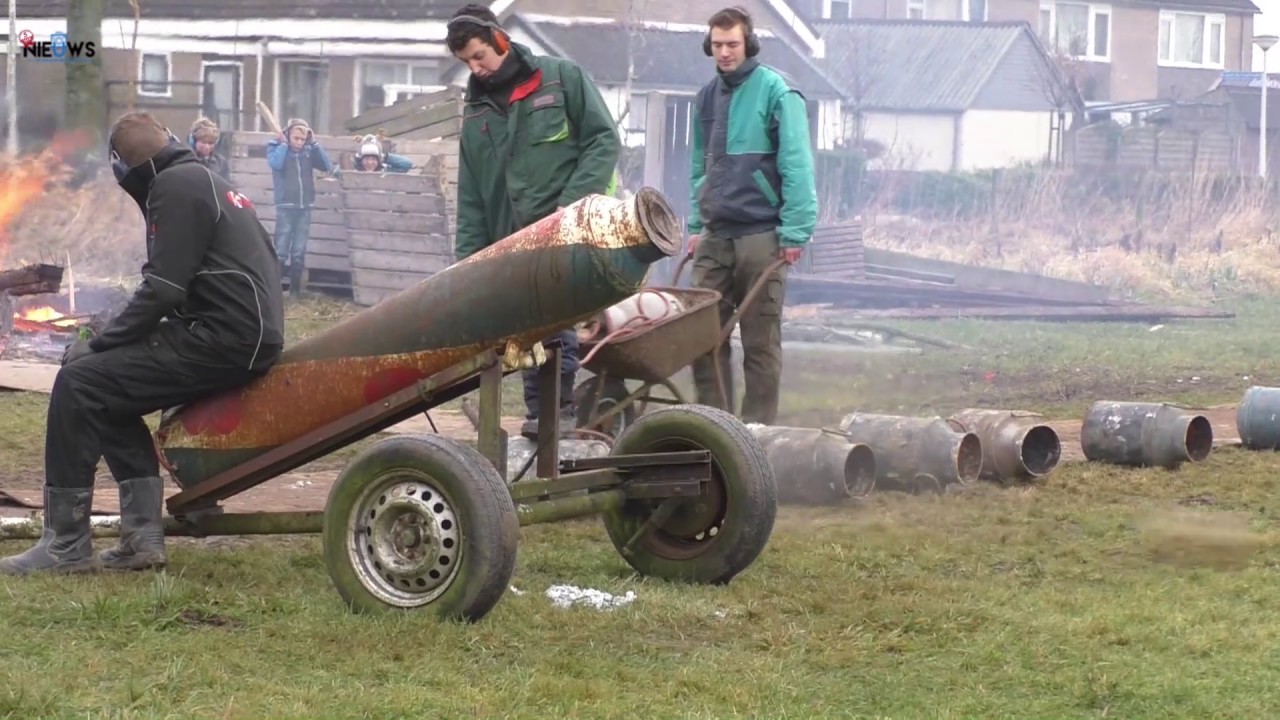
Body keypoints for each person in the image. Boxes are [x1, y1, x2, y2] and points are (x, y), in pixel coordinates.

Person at [0, 111, 286, 576]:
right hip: (242, 331)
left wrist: (99, 343)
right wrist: (110, 341)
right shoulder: (203, 179)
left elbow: (164, 290)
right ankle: (141, 541)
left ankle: (65, 545)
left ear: (123, 167)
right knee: (109, 391)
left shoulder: (173, 186)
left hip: (223, 336)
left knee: (79, 382)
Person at [446, 4, 622, 439]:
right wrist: (467, 266)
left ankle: (554, 416)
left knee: (552, 322)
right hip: (513, 241)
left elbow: (603, 140)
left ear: (500, 40)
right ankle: (543, 418)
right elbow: (472, 194)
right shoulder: (476, 112)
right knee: (526, 332)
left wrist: (569, 207)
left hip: (568, 230)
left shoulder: (561, 79)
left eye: (479, 55)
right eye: (466, 62)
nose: (475, 68)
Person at [686, 6, 818, 426]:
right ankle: (715, 429)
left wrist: (795, 231)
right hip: (715, 234)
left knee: (760, 344)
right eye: (717, 45)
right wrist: (695, 225)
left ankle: (757, 436)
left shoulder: (778, 92)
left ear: (749, 44)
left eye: (732, 44)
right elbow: (698, 167)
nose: (724, 52)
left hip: (762, 234)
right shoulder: (706, 97)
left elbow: (797, 164)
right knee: (702, 339)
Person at [266, 118, 338, 298]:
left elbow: (326, 166)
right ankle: (274, 292)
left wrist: (314, 143)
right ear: (288, 135)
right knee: (281, 252)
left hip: (304, 207)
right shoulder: (276, 147)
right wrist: (283, 145)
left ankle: (295, 292)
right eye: (295, 138)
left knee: (298, 252)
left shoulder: (308, 152)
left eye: (302, 139)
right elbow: (276, 164)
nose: (299, 142)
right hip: (285, 207)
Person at [188, 116, 230, 181]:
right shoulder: (187, 161)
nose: (207, 147)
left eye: (210, 143)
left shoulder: (221, 163)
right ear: (193, 141)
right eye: (203, 142)